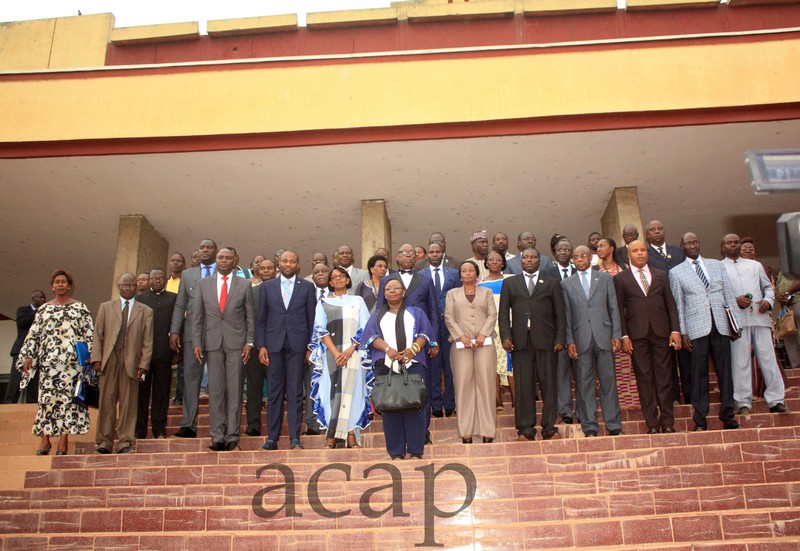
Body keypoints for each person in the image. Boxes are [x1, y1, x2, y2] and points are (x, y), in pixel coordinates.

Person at [18, 270, 94, 456]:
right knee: (47, 402)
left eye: (63, 282)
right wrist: (28, 355)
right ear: (52, 286)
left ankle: (63, 441)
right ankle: (45, 441)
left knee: (67, 403)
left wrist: (91, 359)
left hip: (72, 365)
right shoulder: (44, 309)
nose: (60, 284)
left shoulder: (80, 308)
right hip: (49, 365)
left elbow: (89, 334)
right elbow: (34, 335)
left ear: (69, 285)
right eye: (57, 282)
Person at [669, 232, 740, 431]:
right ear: (682, 246)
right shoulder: (676, 272)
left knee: (725, 373)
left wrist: (736, 324)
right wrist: (683, 332)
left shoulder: (717, 265)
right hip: (696, 329)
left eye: (695, 241)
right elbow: (679, 305)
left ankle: (728, 417)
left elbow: (729, 295)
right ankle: (700, 420)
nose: (692, 245)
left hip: (721, 325)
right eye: (688, 243)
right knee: (698, 375)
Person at [362, 276, 437, 459]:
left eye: (396, 288)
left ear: (403, 292)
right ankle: (395, 452)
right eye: (388, 289)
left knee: (415, 406)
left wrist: (413, 349)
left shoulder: (416, 312)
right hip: (386, 366)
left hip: (413, 365)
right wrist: (388, 349)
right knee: (390, 407)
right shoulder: (377, 315)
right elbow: (370, 337)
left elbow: (425, 333)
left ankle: (415, 450)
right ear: (384, 294)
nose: (392, 291)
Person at [614, 240, 682, 433]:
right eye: (635, 251)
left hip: (661, 333)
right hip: (637, 336)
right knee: (644, 379)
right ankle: (652, 423)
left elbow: (670, 304)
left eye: (643, 250)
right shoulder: (621, 279)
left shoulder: (661, 275)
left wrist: (675, 330)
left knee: (664, 378)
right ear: (629, 255)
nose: (640, 253)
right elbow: (619, 309)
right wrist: (624, 335)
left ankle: (668, 422)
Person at [498, 248, 565, 441]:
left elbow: (559, 312)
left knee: (548, 384)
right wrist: (505, 336)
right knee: (523, 385)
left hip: (546, 340)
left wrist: (560, 338)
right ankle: (525, 429)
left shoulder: (552, 283)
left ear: (540, 260)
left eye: (533, 257)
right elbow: (503, 313)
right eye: (525, 257)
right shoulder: (510, 283)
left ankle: (549, 427)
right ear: (520, 261)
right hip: (520, 341)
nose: (529, 260)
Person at [192, 248, 255, 451]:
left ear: (235, 260)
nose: (224, 261)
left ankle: (232, 437)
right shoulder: (203, 284)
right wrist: (196, 343)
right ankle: (217, 436)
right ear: (216, 261)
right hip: (212, 343)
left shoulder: (244, 284)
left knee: (235, 391)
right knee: (216, 391)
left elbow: (250, 316)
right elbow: (197, 317)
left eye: (228, 258)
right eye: (221, 257)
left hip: (237, 343)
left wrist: (250, 342)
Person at [378, 243, 441, 443]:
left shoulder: (425, 279)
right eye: (403, 252)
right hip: (393, 346)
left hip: (419, 344)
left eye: (411, 252)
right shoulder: (387, 281)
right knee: (395, 390)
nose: (407, 255)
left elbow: (433, 312)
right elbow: (380, 311)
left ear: (417, 258)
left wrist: (433, 341)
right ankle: (400, 437)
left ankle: (423, 433)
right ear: (396, 257)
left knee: (421, 388)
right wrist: (385, 347)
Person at [721, 233, 787, 415]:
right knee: (740, 362)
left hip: (760, 316)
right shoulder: (718, 267)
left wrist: (768, 302)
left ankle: (776, 400)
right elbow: (718, 294)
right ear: (723, 246)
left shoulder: (755, 265)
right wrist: (735, 300)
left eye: (736, 242)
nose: (733, 245)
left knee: (768, 359)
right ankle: (743, 402)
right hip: (737, 322)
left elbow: (768, 288)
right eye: (729, 243)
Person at [561, 246, 623, 437]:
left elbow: (613, 307)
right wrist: (569, 340)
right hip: (580, 339)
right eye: (576, 257)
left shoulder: (604, 278)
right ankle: (589, 426)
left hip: (604, 336)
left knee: (608, 382)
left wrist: (616, 335)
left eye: (583, 256)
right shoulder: (566, 283)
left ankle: (613, 425)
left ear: (590, 258)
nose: (579, 259)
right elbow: (567, 315)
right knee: (583, 383)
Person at [257, 250, 316, 450]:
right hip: (273, 345)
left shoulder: (307, 287)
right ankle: (272, 438)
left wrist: (310, 347)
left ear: (298, 265)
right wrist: (262, 345)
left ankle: (294, 438)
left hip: (298, 346)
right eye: (285, 261)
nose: (288, 264)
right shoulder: (266, 287)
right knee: (274, 393)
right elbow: (261, 319)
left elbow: (312, 320)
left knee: (295, 392)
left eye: (292, 261)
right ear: (278, 264)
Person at [309, 266, 372, 448]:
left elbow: (365, 328)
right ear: (329, 282)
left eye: (341, 276)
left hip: (354, 354)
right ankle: (332, 434)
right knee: (332, 392)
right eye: (334, 277)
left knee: (353, 392)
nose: (338, 279)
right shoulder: (322, 302)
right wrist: (337, 353)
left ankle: (351, 433)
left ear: (347, 279)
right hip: (332, 355)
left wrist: (349, 350)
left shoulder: (357, 300)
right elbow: (320, 330)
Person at [91, 272, 154, 454]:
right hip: (109, 360)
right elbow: (98, 335)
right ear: (119, 286)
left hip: (132, 362)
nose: (128, 288)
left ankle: (125, 441)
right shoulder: (105, 307)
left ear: (137, 287)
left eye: (132, 285)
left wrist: (144, 363)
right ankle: (104, 442)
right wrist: (97, 359)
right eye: (125, 285)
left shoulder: (146, 311)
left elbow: (147, 340)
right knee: (106, 401)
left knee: (129, 403)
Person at [445, 261, 498, 443]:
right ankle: (466, 432)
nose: (467, 273)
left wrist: (483, 334)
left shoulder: (487, 292)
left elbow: (492, 314)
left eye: (471, 270)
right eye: (464, 271)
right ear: (460, 275)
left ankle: (487, 431)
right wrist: (461, 337)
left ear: (477, 274)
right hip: (461, 345)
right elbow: (449, 317)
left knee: (486, 384)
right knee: (463, 385)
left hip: (485, 343)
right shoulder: (452, 294)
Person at [170, 238, 218, 438]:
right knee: (191, 379)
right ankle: (188, 424)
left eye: (208, 247)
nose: (204, 250)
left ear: (215, 251)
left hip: (217, 334)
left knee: (217, 381)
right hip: (191, 334)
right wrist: (174, 331)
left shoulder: (224, 273)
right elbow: (180, 305)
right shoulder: (188, 275)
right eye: (202, 247)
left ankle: (218, 426)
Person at [420, 243, 461, 418]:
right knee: (433, 365)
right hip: (430, 324)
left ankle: (450, 402)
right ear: (427, 255)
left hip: (451, 324)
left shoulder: (453, 273)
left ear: (443, 254)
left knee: (451, 365)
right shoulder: (420, 275)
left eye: (438, 252)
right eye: (431, 252)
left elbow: (459, 296)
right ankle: (436, 403)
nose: (435, 254)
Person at [597, 238, 639, 410]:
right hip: (601, 320)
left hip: (623, 317)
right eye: (597, 247)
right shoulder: (594, 270)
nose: (598, 249)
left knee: (626, 359)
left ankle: (630, 400)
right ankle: (613, 402)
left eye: (602, 246)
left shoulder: (624, 268)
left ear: (612, 248)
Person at [136, 268, 177, 439]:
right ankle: (139, 430)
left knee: (162, 392)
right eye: (154, 278)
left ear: (165, 280)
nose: (157, 281)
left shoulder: (173, 299)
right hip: (143, 355)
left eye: (160, 278)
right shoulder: (140, 299)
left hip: (164, 353)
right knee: (142, 393)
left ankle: (159, 428)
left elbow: (177, 325)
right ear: (149, 280)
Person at [479, 251, 514, 409]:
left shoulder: (512, 280)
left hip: (508, 324)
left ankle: (516, 399)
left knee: (511, 363)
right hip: (488, 326)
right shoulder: (479, 283)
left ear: (503, 263)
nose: (494, 262)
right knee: (492, 362)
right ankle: (497, 400)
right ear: (486, 263)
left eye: (498, 259)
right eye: (491, 259)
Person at [552, 237, 578, 424]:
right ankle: (565, 410)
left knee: (583, 372)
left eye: (567, 249)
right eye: (560, 249)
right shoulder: (547, 273)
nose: (563, 252)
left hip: (581, 329)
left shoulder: (582, 271)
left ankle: (585, 411)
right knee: (561, 372)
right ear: (554, 252)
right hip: (558, 331)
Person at [4, 290, 46, 404]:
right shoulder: (22, 310)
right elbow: (22, 323)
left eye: (44, 298)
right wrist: (37, 311)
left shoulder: (45, 314)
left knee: (34, 383)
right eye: (40, 297)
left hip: (37, 353)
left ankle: (32, 408)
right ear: (33, 298)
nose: (43, 300)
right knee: (16, 382)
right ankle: (9, 406)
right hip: (21, 350)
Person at [305, 262, 331, 435]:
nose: (320, 274)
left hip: (334, 348)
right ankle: (312, 423)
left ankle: (331, 421)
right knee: (311, 386)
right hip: (311, 349)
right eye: (316, 272)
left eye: (324, 271)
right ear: (312, 276)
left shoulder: (338, 294)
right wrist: (308, 347)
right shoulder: (305, 293)